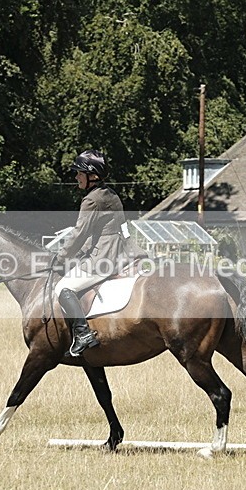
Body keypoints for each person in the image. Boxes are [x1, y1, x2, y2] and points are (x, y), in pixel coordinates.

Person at [54, 149, 142, 357]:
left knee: (63, 287)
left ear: (91, 175)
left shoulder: (92, 200)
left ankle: (83, 334)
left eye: (79, 173)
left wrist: (61, 257)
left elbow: (79, 234)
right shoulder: (111, 194)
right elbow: (110, 231)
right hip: (119, 254)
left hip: (102, 260)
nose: (76, 177)